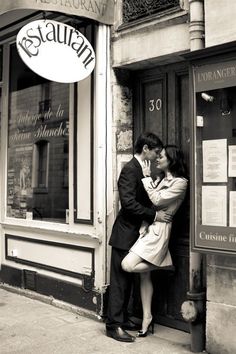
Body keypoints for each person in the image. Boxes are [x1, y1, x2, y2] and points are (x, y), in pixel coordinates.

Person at [105, 132, 172, 343]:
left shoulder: (142, 169)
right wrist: (154, 215)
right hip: (124, 234)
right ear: (145, 149)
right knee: (119, 282)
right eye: (155, 152)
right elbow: (128, 204)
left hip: (136, 235)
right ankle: (113, 326)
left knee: (128, 282)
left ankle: (123, 318)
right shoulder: (129, 169)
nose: (157, 155)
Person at [121, 145, 188, 337]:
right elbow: (151, 203)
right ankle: (147, 317)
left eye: (162, 156)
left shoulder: (180, 183)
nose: (158, 159)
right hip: (148, 229)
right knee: (144, 276)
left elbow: (158, 201)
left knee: (127, 265)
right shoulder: (160, 179)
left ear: (172, 160)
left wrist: (146, 179)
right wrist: (152, 182)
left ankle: (164, 265)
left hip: (159, 232)